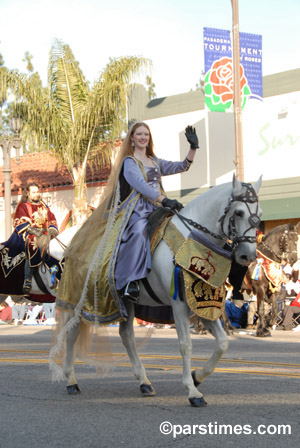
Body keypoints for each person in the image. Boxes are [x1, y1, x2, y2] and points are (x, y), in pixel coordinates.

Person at [57, 122, 199, 322]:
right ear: (132, 137)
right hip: (137, 209)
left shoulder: (154, 161)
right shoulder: (129, 162)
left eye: (146, 134)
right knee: (139, 230)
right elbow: (140, 186)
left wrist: (193, 149)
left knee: (180, 227)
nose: (143, 137)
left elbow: (181, 166)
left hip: (159, 208)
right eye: (139, 134)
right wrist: (163, 199)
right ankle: (130, 282)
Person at [12, 182, 59, 295]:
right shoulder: (23, 206)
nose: (36, 194)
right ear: (28, 193)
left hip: (46, 235)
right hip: (30, 234)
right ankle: (27, 279)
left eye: (37, 191)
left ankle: (55, 276)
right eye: (33, 192)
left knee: (56, 250)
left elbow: (51, 218)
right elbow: (19, 221)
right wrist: (34, 231)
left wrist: (52, 229)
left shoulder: (44, 206)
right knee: (33, 246)